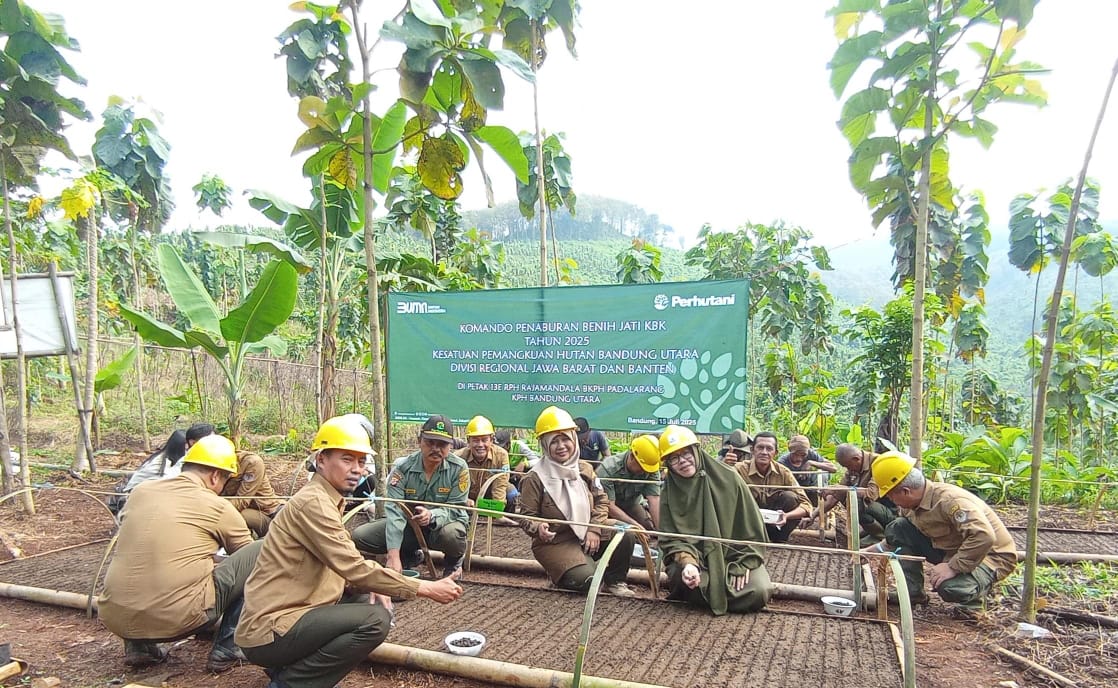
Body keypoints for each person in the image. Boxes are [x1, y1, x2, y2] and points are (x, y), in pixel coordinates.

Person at [237, 416, 463, 688]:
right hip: (272, 628)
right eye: (347, 459)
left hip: (288, 615)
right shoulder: (314, 504)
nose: (356, 469)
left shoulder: (328, 499)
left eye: (361, 461)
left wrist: (376, 584)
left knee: (366, 599)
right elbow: (354, 566)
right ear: (321, 460)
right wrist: (425, 587)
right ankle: (290, 682)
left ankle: (288, 668)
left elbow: (347, 569)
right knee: (375, 620)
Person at [99, 435, 261, 672]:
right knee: (260, 551)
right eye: (226, 479)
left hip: (114, 616)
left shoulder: (141, 492)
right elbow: (246, 559)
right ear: (216, 476)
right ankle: (228, 646)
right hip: (177, 620)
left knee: (142, 552)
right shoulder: (217, 506)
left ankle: (139, 648)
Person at [865, 451, 1017, 614]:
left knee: (951, 589)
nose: (891, 501)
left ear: (906, 491)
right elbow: (897, 536)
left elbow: (984, 536)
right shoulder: (911, 506)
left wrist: (953, 567)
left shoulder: (949, 501)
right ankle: (912, 593)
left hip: (991, 556)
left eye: (890, 496)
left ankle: (974, 601)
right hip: (954, 549)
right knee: (898, 526)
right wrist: (868, 552)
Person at [519, 406, 637, 597]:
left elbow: (601, 500)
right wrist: (538, 527)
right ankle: (565, 573)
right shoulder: (534, 478)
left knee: (624, 534)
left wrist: (594, 528)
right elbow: (525, 516)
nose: (561, 446)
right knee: (588, 583)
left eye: (565, 439)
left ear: (574, 439)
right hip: (556, 542)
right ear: (544, 444)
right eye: (554, 441)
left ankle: (615, 581)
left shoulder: (585, 469)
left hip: (587, 531)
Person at [658, 425, 771, 615]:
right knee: (682, 580)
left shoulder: (729, 478)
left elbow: (752, 530)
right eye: (674, 458)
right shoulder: (669, 492)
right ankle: (703, 588)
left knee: (759, 591)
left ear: (696, 451)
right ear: (668, 464)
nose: (683, 462)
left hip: (733, 558)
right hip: (698, 562)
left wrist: (743, 564)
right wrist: (689, 564)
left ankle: (710, 594)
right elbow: (671, 540)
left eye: (686, 454)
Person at [352, 415, 470, 577]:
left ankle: (453, 562)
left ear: (450, 445)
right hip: (410, 526)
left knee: (451, 535)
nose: (436, 449)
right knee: (361, 536)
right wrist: (392, 555)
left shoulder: (459, 468)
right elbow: (394, 510)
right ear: (419, 440)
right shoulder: (403, 468)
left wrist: (432, 515)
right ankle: (407, 554)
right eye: (430, 442)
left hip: (443, 527)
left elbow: (457, 509)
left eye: (442, 444)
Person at [108, 423, 214, 515]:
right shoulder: (165, 465)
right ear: (191, 443)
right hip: (133, 504)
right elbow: (173, 488)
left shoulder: (172, 457)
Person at [734, 432, 812, 543]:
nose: (764, 452)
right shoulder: (738, 469)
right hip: (747, 523)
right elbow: (721, 490)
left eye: (769, 449)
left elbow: (806, 505)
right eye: (760, 447)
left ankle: (778, 539)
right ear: (752, 450)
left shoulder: (783, 472)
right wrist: (725, 466)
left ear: (775, 453)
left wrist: (786, 516)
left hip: (775, 525)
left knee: (790, 497)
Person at [814, 444, 897, 546]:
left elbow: (871, 494)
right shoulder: (852, 469)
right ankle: (873, 533)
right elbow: (836, 495)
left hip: (892, 512)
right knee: (849, 497)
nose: (848, 470)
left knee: (857, 501)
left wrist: (844, 489)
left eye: (848, 466)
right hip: (876, 510)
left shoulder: (879, 463)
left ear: (856, 459)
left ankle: (885, 538)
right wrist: (813, 515)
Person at [455, 415, 516, 526]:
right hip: (468, 499)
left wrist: (497, 512)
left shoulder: (501, 455)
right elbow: (453, 486)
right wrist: (464, 499)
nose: (480, 445)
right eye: (475, 440)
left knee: (512, 493)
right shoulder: (458, 457)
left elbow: (500, 486)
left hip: (490, 497)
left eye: (484, 440)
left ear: (491, 440)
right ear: (468, 441)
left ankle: (503, 519)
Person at [595, 435, 662, 530]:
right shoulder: (608, 469)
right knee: (628, 535)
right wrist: (635, 526)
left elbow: (654, 499)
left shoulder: (650, 469)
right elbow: (609, 505)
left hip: (631, 504)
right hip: (607, 509)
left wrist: (661, 532)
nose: (645, 471)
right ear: (632, 456)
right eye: (642, 468)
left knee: (649, 528)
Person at [222, 450, 284, 538]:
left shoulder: (251, 463)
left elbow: (242, 501)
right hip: (246, 512)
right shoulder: (207, 465)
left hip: (269, 511)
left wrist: (213, 511)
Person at [777, 435, 836, 506]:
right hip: (794, 491)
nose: (799, 458)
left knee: (822, 475)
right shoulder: (782, 462)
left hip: (812, 488)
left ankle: (818, 507)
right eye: (795, 454)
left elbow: (833, 468)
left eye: (803, 455)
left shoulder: (811, 454)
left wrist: (811, 463)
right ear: (790, 451)